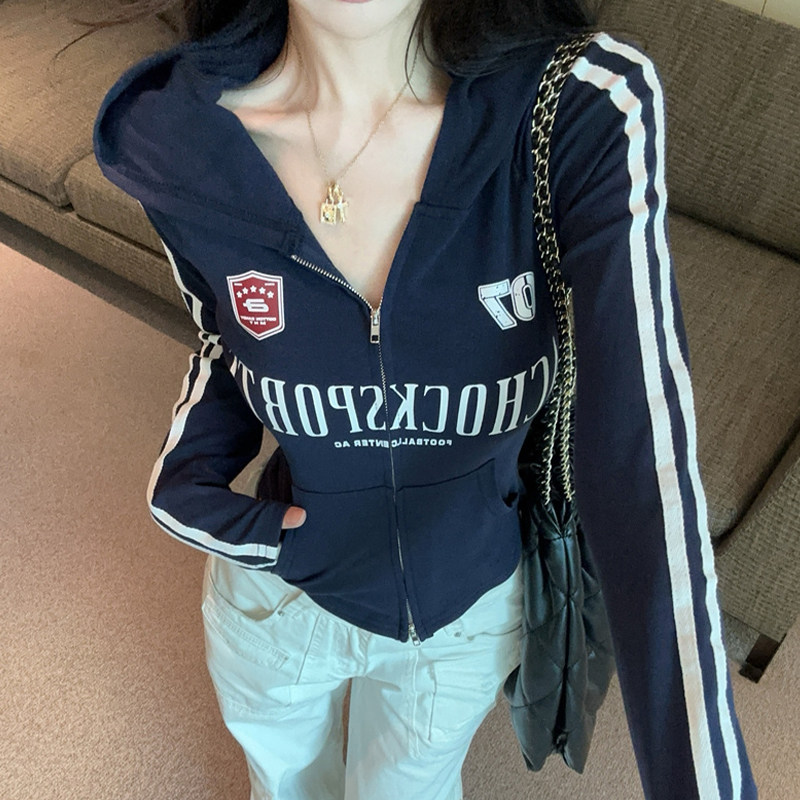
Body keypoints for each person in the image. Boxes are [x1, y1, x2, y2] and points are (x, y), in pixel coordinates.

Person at [92, 1, 758, 798]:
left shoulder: (580, 106)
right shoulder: (182, 145)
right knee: (284, 784)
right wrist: (190, 489)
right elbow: (224, 341)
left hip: (465, 615)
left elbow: (641, 468)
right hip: (282, 599)